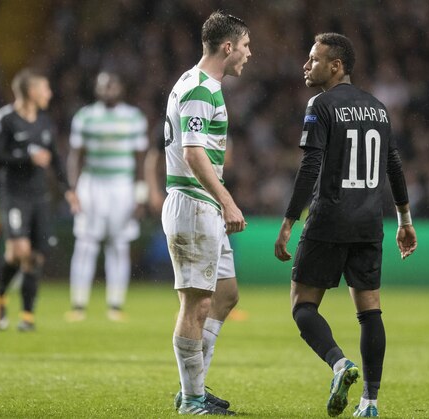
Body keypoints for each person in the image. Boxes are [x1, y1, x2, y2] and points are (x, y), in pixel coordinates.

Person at [274, 33, 418, 418]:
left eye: (314, 59)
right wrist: (405, 219)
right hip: (370, 222)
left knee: (303, 306)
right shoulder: (378, 108)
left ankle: (340, 364)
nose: (307, 66)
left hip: (330, 218)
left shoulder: (320, 105)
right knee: (370, 311)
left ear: (336, 66)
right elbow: (394, 165)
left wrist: (289, 220)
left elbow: (309, 166)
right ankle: (370, 402)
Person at [162, 11, 250, 416]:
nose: (249, 54)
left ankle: (193, 388)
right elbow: (193, 152)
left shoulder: (198, 83)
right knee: (195, 304)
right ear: (227, 47)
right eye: (246, 46)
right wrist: (228, 200)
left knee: (225, 295)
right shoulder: (201, 88)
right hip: (194, 204)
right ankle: (191, 399)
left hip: (204, 205)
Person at [0, 68, 79, 331]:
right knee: (19, 252)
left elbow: (56, 159)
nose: (49, 93)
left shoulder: (44, 121)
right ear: (31, 91)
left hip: (39, 197)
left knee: (36, 257)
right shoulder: (4, 120)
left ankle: (27, 316)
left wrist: (68, 189)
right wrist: (26, 158)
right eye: (45, 88)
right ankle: (0, 297)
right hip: (13, 195)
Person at [65, 72, 148, 322]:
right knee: (86, 244)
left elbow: (140, 159)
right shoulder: (85, 116)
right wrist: (74, 189)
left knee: (119, 245)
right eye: (103, 86)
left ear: (121, 88)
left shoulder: (134, 117)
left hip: (122, 185)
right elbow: (75, 156)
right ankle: (78, 304)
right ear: (96, 89)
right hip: (93, 184)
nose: (108, 90)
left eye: (112, 85)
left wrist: (140, 194)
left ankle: (115, 304)